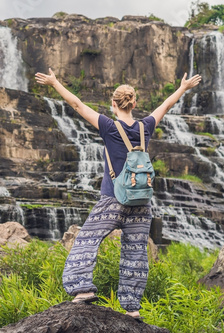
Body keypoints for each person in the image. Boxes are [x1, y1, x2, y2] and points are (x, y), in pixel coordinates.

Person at [35, 68, 201, 319]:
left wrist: (55, 83)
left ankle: (82, 290)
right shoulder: (145, 127)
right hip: (142, 203)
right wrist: (183, 88)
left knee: (87, 240)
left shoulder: (109, 126)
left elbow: (77, 105)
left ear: (114, 104)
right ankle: (132, 308)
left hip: (112, 199)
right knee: (135, 253)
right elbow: (165, 107)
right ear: (134, 103)